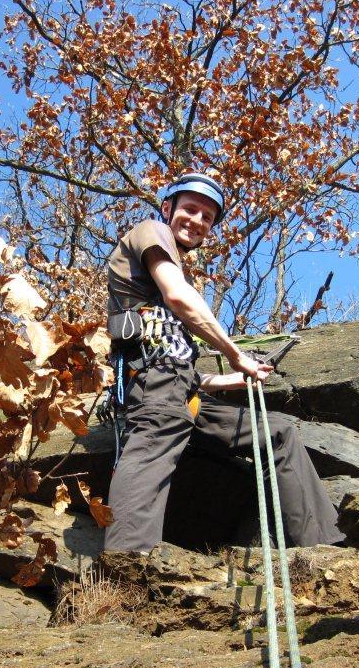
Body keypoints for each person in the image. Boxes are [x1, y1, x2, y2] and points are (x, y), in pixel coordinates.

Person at [104, 172, 345, 553]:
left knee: (277, 433)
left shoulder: (165, 284)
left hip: (180, 391)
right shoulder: (151, 230)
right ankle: (125, 565)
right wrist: (236, 354)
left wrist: (230, 380)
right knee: (156, 436)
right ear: (167, 208)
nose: (197, 221)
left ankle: (323, 548)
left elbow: (177, 364)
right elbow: (179, 301)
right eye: (190, 209)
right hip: (156, 389)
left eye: (207, 217)